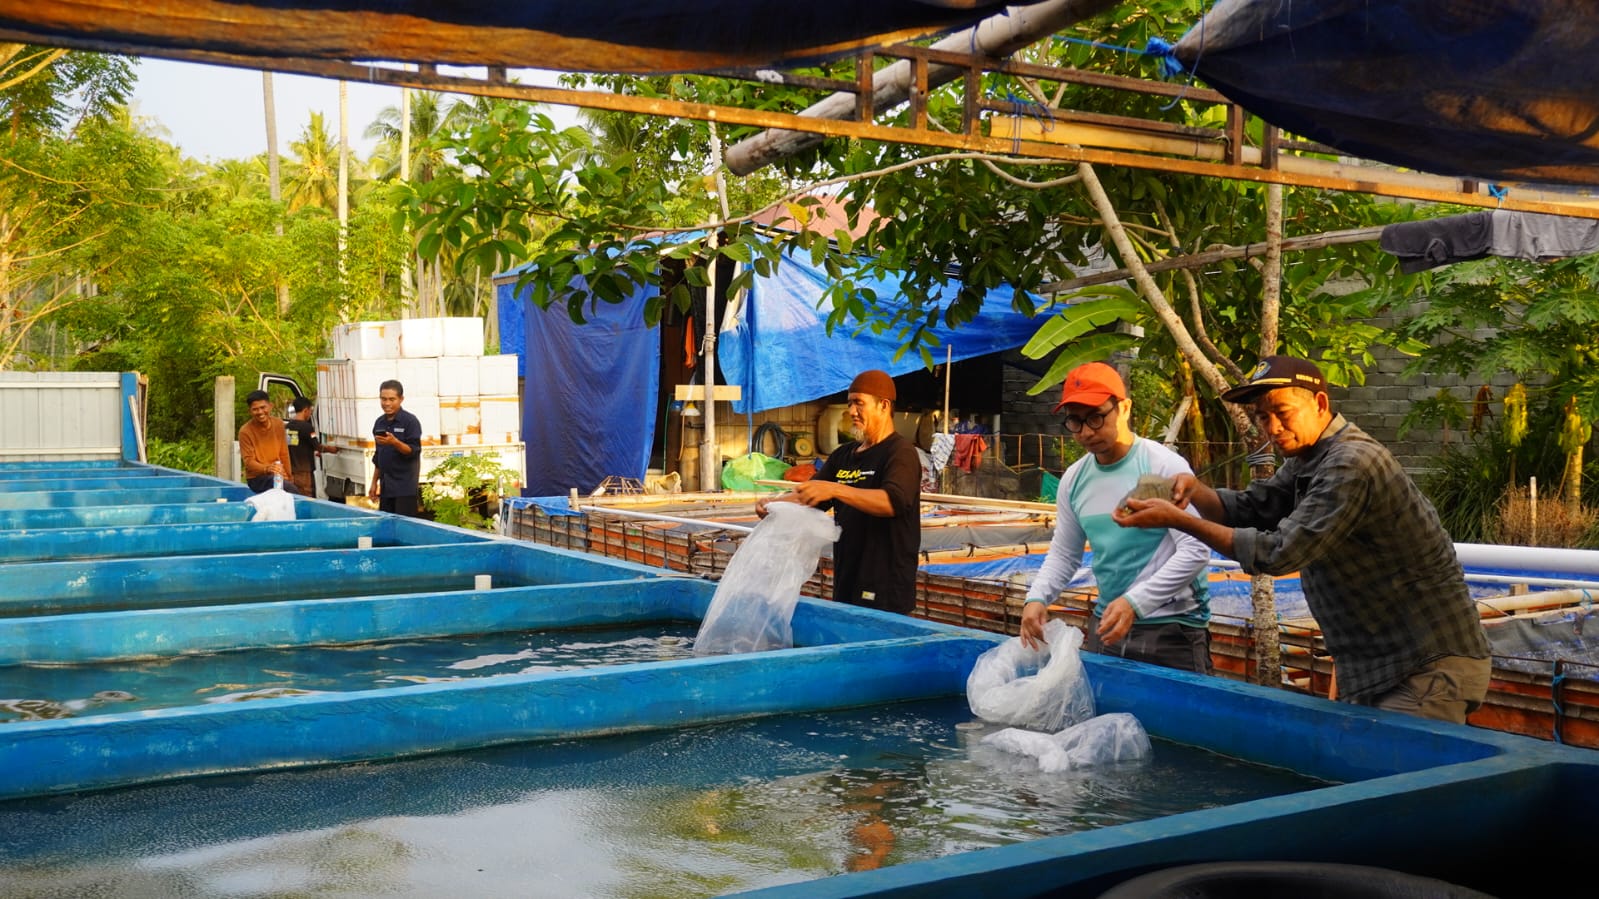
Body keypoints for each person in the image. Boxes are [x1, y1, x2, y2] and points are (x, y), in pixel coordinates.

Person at [1114, 355, 1492, 724]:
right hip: (1378, 667)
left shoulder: (1351, 463)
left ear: (1320, 404)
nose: (1273, 428)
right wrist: (1195, 491)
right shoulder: (1308, 458)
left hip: (1425, 665)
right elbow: (1253, 508)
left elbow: (1280, 553)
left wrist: (1179, 520)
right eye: (1263, 417)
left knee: (1394, 767)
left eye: (1283, 412)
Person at [1020, 362, 1213, 673]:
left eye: (1096, 417)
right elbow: (1065, 554)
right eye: (1075, 421)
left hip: (1172, 628)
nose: (1086, 432)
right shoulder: (1074, 479)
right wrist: (1037, 598)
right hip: (1109, 623)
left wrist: (1135, 603)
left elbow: (1195, 550)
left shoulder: (1162, 467)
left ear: (1124, 408)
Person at [756, 370, 922, 614]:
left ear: (884, 405)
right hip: (847, 578)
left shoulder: (900, 453)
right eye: (850, 403)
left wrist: (836, 489)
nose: (852, 411)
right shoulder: (844, 455)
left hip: (886, 587)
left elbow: (892, 502)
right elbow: (811, 495)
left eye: (859, 403)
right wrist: (774, 505)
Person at [368, 379, 423, 517]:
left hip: (405, 489)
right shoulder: (379, 422)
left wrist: (394, 442)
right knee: (386, 524)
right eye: (383, 399)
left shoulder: (410, 421)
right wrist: (374, 483)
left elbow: (413, 451)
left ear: (401, 399)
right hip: (386, 488)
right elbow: (378, 457)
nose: (387, 403)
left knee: (404, 526)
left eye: (392, 399)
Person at [237, 389, 296, 494]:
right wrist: (267, 468)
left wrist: (289, 475)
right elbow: (249, 462)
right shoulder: (245, 431)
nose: (260, 412)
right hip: (257, 478)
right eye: (255, 409)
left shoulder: (278, 424)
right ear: (250, 411)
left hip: (278, 474)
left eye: (263, 407)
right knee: (286, 487)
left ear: (270, 406)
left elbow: (284, 453)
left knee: (291, 490)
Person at [285, 396, 339, 498]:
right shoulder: (307, 427)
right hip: (305, 474)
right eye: (310, 411)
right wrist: (332, 449)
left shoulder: (288, 427)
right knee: (307, 499)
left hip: (291, 472)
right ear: (305, 410)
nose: (310, 414)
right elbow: (317, 446)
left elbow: (293, 445)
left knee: (294, 499)